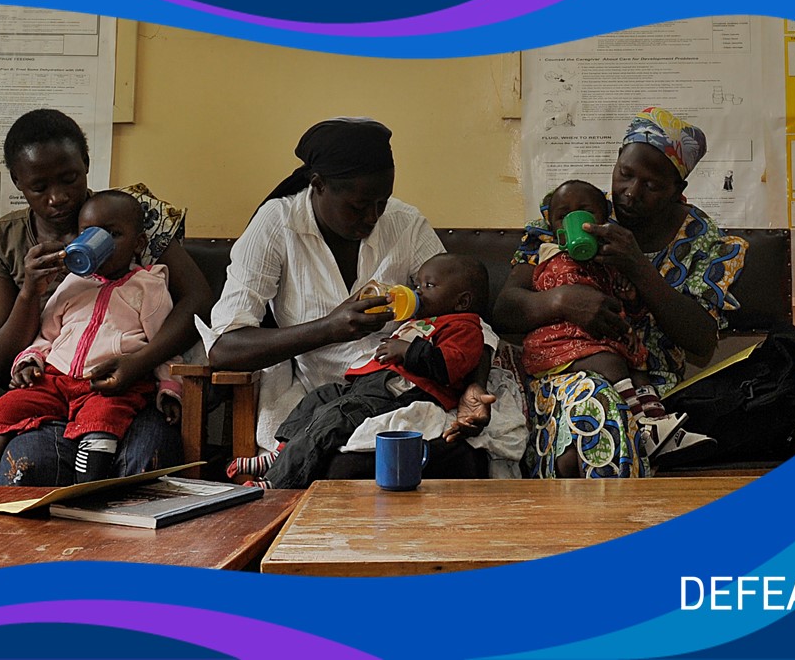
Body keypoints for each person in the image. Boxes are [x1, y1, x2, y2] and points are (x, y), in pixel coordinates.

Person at [203, 117, 503, 479]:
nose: (373, 217)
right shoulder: (277, 225)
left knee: (457, 453)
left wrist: (474, 386)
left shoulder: (405, 224)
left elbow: (467, 315)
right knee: (351, 466)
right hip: (329, 396)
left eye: (382, 202)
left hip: (406, 392)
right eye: (358, 207)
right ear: (318, 185)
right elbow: (225, 346)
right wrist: (329, 328)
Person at [494, 107, 747, 478]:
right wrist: (561, 300)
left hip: (652, 393)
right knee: (599, 407)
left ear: (678, 191)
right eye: (625, 174)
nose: (630, 192)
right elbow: (505, 308)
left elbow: (701, 342)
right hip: (564, 372)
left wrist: (640, 269)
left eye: (652, 185)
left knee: (603, 418)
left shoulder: (704, 242)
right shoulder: (576, 213)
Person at [0, 108, 209, 485]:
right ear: (18, 182)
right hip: (48, 390)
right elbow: (0, 358)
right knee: (28, 469)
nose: (58, 198)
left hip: (130, 389)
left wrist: (139, 363)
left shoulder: (130, 217)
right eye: (39, 187)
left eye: (70, 178)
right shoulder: (1, 241)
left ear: (86, 163)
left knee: (144, 466)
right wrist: (30, 292)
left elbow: (198, 300)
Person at [0, 191, 182, 485]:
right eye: (89, 234)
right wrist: (31, 360)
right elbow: (48, 334)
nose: (101, 242)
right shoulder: (73, 283)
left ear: (138, 244)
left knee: (105, 413)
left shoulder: (148, 285)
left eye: (114, 234)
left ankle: (89, 477)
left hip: (107, 382)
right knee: (8, 405)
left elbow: (163, 343)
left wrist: (169, 388)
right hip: (58, 377)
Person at [237, 253, 489, 489]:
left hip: (403, 393)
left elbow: (449, 366)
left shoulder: (465, 327)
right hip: (370, 385)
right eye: (417, 284)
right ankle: (283, 452)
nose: (417, 291)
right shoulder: (424, 320)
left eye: (429, 286)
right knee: (320, 397)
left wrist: (407, 350)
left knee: (336, 417)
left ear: (462, 301)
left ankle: (278, 482)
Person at [521, 180, 714, 463]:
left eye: (585, 212)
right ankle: (642, 425)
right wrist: (565, 296)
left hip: (603, 340)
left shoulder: (612, 260)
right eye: (563, 216)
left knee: (638, 366)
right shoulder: (550, 256)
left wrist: (630, 294)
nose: (574, 219)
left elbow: (629, 309)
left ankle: (657, 424)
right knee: (611, 364)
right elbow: (539, 294)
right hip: (560, 343)